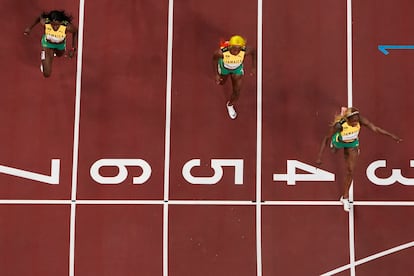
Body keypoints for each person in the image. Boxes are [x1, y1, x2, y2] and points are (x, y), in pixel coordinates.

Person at [316, 107, 402, 212]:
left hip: (352, 144)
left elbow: (375, 128)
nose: (356, 122)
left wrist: (392, 136)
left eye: (357, 120)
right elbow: (326, 138)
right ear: (347, 119)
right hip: (340, 140)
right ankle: (334, 145)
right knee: (334, 150)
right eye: (353, 121)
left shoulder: (360, 120)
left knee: (350, 171)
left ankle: (345, 197)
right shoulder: (339, 125)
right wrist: (320, 156)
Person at [212, 35, 256, 119]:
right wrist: (216, 74)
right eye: (235, 49)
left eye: (239, 49)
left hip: (237, 69)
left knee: (237, 91)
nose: (237, 51)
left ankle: (230, 105)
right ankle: (223, 44)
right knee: (222, 82)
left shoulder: (245, 51)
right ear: (230, 46)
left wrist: (254, 67)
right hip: (225, 68)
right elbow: (214, 60)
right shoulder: (221, 53)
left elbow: (254, 52)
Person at [24, 10, 78, 78]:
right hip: (48, 45)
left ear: (61, 22)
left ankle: (52, 54)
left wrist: (73, 48)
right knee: (47, 74)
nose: (55, 26)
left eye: (57, 24)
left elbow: (75, 32)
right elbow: (39, 18)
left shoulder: (67, 26)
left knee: (60, 55)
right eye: (53, 24)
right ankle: (44, 56)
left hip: (60, 45)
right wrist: (29, 28)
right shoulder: (45, 22)